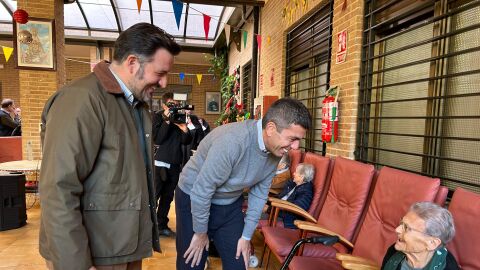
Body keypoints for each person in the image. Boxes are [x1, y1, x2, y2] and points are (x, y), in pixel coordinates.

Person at [39, 23, 181, 270]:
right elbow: (58, 190)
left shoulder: (135, 104)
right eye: (159, 73)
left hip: (122, 247)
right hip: (93, 255)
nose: (163, 83)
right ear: (133, 63)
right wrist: (76, 265)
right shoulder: (81, 100)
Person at [176, 97, 312, 270]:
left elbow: (259, 194)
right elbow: (202, 190)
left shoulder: (274, 151)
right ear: (271, 128)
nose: (295, 146)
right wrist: (201, 232)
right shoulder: (232, 141)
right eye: (292, 138)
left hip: (230, 203)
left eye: (299, 140)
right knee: (192, 263)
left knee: (239, 262)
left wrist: (246, 237)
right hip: (194, 197)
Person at [153, 92, 192, 237]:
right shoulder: (158, 117)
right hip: (160, 163)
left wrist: (184, 129)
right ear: (164, 105)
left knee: (168, 197)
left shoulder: (179, 117)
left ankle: (161, 225)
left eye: (176, 105)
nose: (174, 107)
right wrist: (167, 120)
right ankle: (149, 226)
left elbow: (186, 141)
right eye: (171, 105)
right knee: (155, 195)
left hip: (175, 163)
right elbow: (158, 139)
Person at [381, 202, 459, 270]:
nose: (397, 229)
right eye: (401, 223)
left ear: (432, 243)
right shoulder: (394, 252)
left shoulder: (448, 267)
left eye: (407, 228)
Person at [277, 163, 314, 229]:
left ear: (301, 177)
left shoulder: (306, 192)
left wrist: (268, 209)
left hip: (285, 219)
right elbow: (280, 196)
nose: (293, 174)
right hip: (276, 210)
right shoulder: (293, 184)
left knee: (254, 214)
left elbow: (294, 210)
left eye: (296, 172)